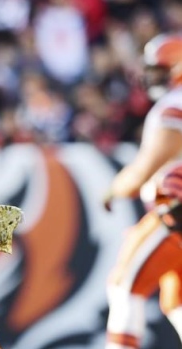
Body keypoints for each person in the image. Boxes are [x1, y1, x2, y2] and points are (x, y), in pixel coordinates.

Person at [103, 33, 182, 348]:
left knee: (124, 286)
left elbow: (142, 173)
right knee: (176, 302)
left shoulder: (174, 106)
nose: (152, 77)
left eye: (159, 69)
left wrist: (113, 189)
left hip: (175, 213)